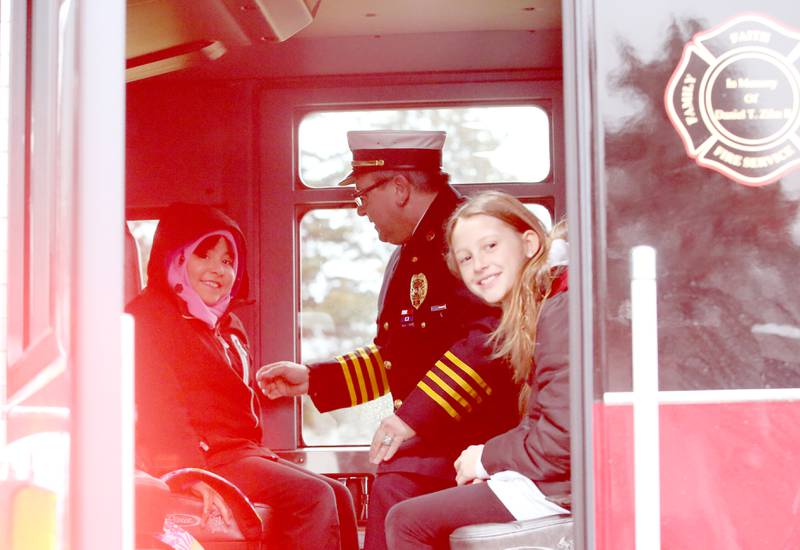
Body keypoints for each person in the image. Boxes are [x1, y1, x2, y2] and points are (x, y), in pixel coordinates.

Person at [257, 130, 519, 550]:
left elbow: (490, 339)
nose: (361, 211)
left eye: (362, 196)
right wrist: (313, 379)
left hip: (468, 446)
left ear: (398, 188)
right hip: (432, 448)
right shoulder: (411, 251)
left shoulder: (465, 235)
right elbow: (401, 357)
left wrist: (412, 418)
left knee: (394, 490)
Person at [129, 202, 358, 550]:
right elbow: (160, 408)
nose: (218, 270)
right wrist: (192, 474)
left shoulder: (227, 326)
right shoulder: (149, 319)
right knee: (314, 497)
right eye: (203, 255)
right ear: (176, 257)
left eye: (228, 260)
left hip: (242, 452)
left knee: (339, 495)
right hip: (207, 458)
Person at [384, 190, 571, 549]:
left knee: (406, 520)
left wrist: (484, 458)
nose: (479, 265)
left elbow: (559, 442)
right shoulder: (540, 309)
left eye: (490, 247)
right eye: (466, 258)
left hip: (563, 491)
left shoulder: (558, 311)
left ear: (529, 243)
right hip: (559, 484)